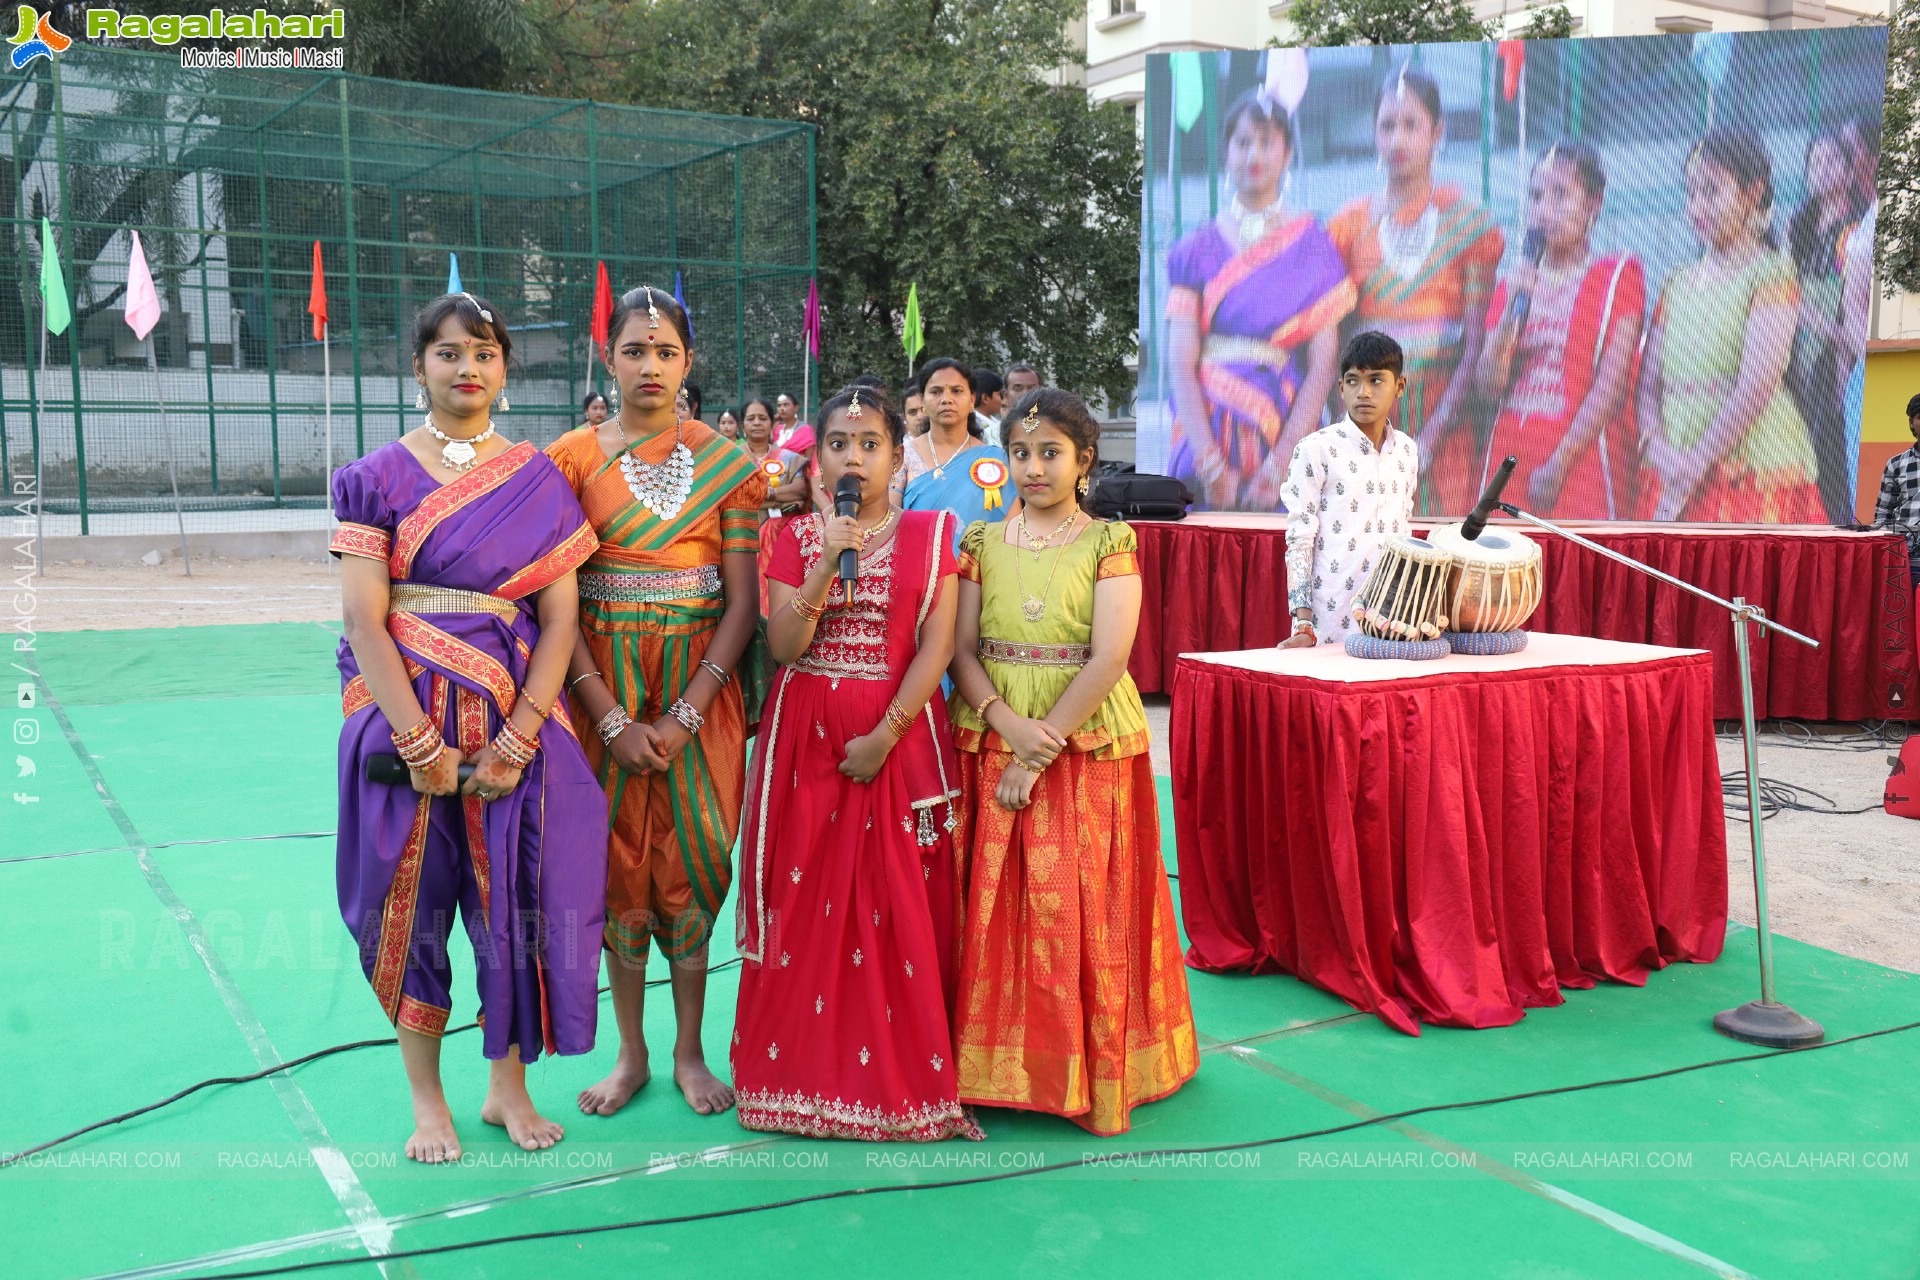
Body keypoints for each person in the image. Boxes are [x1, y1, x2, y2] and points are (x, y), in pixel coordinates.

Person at [332, 292, 608, 1163]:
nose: (468, 368)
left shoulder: (538, 479)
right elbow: (364, 620)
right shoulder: (374, 477)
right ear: (418, 367)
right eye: (449, 352)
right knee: (409, 910)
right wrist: (418, 743)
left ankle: (506, 1091)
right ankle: (429, 1104)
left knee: (517, 907)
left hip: (512, 724)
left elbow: (560, 620)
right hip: (401, 722)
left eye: (485, 353)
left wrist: (520, 737)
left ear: (505, 369)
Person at [731, 385, 981, 1143]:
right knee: (802, 899)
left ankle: (900, 1082)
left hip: (896, 741)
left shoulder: (933, 534)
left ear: (897, 459)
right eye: (839, 444)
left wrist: (885, 735)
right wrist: (821, 566)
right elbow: (783, 647)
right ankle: (795, 1080)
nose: (854, 458)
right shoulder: (789, 538)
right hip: (804, 743)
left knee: (896, 901)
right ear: (817, 463)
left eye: (871, 444)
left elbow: (938, 646)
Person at [947, 388, 1197, 1136]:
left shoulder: (1108, 542)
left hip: (1082, 740)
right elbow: (960, 650)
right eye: (1020, 453)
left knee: (1079, 903)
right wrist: (1005, 725)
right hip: (993, 730)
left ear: (1084, 461)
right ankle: (986, 1068)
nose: (1033, 467)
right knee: (992, 905)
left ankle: (1088, 1067)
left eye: (1050, 453)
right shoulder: (981, 544)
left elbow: (1110, 655)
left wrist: (1039, 747)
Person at [545, 285, 768, 1118]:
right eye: (635, 350)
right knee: (616, 871)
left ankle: (689, 1051)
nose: (651, 365)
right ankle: (631, 1052)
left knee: (693, 868)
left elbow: (741, 605)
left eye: (666, 352)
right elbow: (557, 602)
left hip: (699, 692)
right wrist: (609, 716)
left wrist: (684, 714)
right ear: (607, 358)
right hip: (598, 687)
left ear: (688, 362)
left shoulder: (727, 464)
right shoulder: (569, 461)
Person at [1167, 88, 1353, 511]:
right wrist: (1210, 466)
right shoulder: (1195, 249)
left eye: (1267, 142)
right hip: (1204, 432)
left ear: (1287, 154)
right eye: (1243, 142)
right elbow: (1180, 364)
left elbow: (1323, 367)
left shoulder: (1315, 249)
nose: (1254, 154)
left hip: (1283, 426)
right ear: (1227, 152)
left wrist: (1280, 466)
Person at [1328, 64, 1503, 516]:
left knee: (1443, 548)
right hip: (1368, 429)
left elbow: (1474, 347)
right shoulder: (1348, 227)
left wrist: (1429, 440)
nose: (1397, 139)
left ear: (1436, 132)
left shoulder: (1469, 226)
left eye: (1411, 125)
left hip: (1447, 430)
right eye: (1387, 126)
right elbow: (1334, 349)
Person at [1638, 127, 1823, 524]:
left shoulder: (1771, 273)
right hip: (1670, 468)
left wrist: (1695, 465)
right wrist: (1658, 451)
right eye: (1691, 192)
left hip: (1748, 470)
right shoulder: (1675, 283)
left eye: (1711, 190)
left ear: (1753, 193)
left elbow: (1757, 384)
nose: (1697, 206)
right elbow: (1648, 385)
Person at [1473, 142, 1644, 519]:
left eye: (1561, 195)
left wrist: (1557, 466)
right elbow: (1487, 388)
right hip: (1511, 458)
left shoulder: (1617, 278)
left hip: (1579, 464)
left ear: (1594, 203)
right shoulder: (1513, 284)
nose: (1544, 209)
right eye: (1536, 196)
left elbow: (1610, 389)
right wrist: (1511, 311)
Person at [1279, 331, 1418, 649]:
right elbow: (1299, 540)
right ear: (1341, 387)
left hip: (1390, 621)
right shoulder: (1316, 449)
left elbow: (1403, 532)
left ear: (1400, 386)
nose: (1363, 392)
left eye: (1376, 380)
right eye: (1353, 381)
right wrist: (1303, 624)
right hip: (1329, 623)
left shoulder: (1407, 450)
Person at [1787, 129, 1869, 522]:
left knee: (1830, 440)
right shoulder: (1798, 225)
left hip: (1836, 349)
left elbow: (1853, 301)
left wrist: (1838, 339)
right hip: (1795, 343)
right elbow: (1785, 286)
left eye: (1832, 160)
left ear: (1850, 172)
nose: (1822, 169)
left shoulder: (1857, 228)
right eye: (1815, 162)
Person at [896, 357, 1008, 544]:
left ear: (972, 399)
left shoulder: (995, 458)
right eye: (936, 391)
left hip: (981, 560)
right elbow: (888, 519)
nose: (947, 399)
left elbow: (1009, 526)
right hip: (916, 557)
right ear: (923, 400)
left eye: (957, 391)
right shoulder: (903, 456)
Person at [1874, 395, 1920, 587]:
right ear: (1911, 422)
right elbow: (1883, 514)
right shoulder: (1896, 464)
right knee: (1903, 606)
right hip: (1905, 559)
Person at [741, 396, 810, 515]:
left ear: (772, 425)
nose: (757, 423)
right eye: (751, 419)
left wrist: (767, 493)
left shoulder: (789, 458)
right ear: (742, 426)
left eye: (763, 418)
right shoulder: (733, 457)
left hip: (784, 525)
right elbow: (736, 497)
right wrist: (781, 503)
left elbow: (800, 490)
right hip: (744, 524)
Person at [973, 367, 1005, 445]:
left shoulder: (995, 422)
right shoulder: (974, 426)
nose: (1003, 400)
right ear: (985, 398)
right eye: (1000, 395)